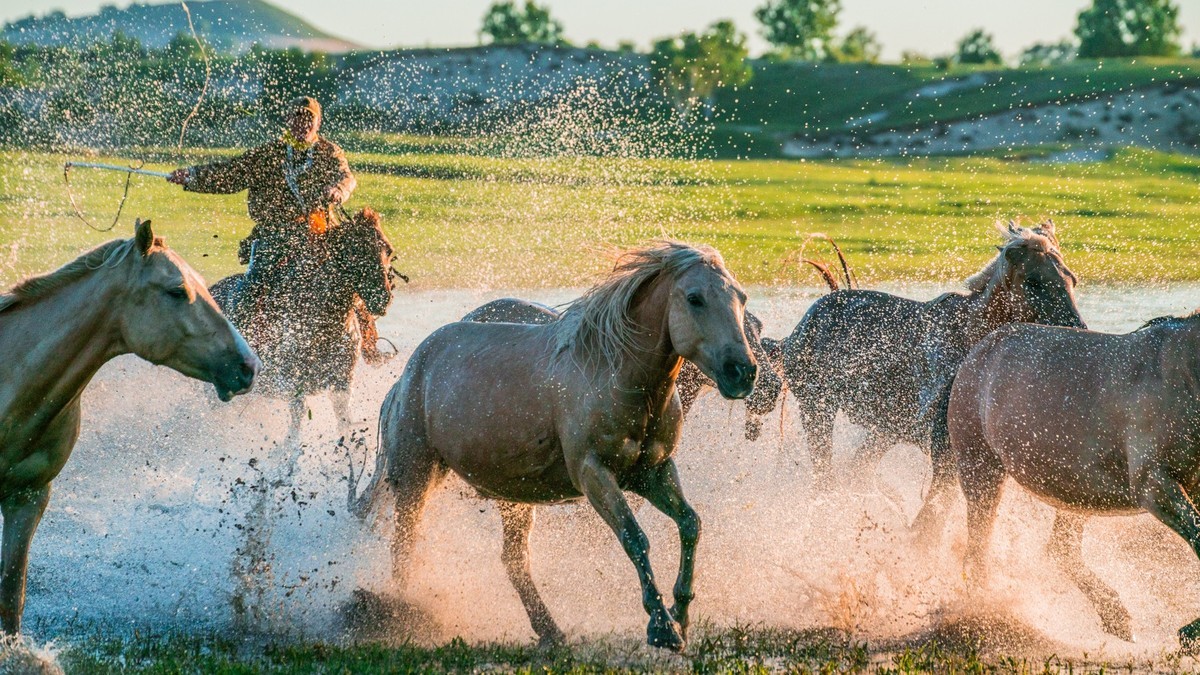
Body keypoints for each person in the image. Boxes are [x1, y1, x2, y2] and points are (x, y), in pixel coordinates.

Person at [168, 96, 389, 364]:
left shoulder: (330, 152)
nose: (303, 123)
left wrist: (337, 191)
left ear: (318, 122)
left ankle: (368, 343)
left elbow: (346, 178)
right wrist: (190, 176)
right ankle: (242, 347)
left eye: (309, 119)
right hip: (273, 237)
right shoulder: (267, 154)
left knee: (353, 277)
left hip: (318, 235)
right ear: (288, 120)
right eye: (298, 117)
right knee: (251, 287)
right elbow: (229, 174)